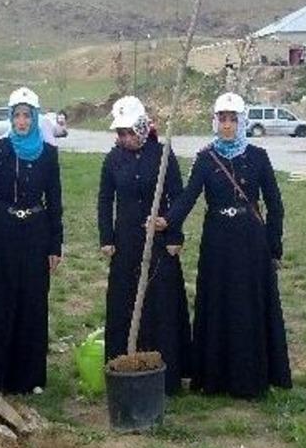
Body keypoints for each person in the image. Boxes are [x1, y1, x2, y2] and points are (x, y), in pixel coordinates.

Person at [156, 92, 291, 399]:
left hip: (250, 240)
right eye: (222, 119)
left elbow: (274, 204)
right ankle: (216, 377)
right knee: (218, 302)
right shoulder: (205, 158)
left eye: (233, 120)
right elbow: (189, 196)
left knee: (247, 305)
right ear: (214, 121)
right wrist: (168, 221)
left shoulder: (258, 156)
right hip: (217, 240)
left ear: (242, 122)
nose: (227, 126)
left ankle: (250, 377)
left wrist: (274, 246)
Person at [0, 87, 63, 394]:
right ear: (10, 117)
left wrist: (55, 245)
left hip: (35, 232)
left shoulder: (48, 153)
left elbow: (55, 201)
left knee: (32, 301)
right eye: (16, 115)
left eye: (26, 116)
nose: (21, 122)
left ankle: (28, 377)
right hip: (1, 230)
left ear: (35, 118)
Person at [97, 96, 191, 394]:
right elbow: (104, 200)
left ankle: (167, 375)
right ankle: (124, 367)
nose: (126, 138)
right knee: (124, 302)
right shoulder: (113, 159)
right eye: (121, 133)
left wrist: (173, 232)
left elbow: (177, 195)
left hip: (159, 240)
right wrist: (106, 237)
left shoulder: (162, 155)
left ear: (141, 127)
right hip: (125, 242)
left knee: (160, 302)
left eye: (130, 132)